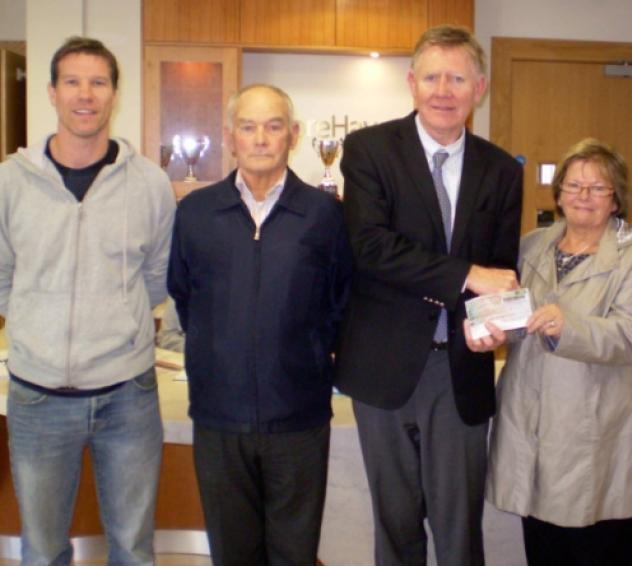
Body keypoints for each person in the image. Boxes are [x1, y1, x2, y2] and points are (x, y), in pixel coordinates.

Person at [334, 25, 523, 565]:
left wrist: (495, 326)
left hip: (460, 369)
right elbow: (371, 247)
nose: (445, 90)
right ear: (412, 83)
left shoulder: (500, 169)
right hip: (383, 366)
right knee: (394, 526)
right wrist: (467, 275)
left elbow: (502, 270)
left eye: (458, 78)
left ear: (478, 87)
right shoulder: (368, 149)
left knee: (460, 527)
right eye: (433, 77)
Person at [0, 36, 174, 564]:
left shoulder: (149, 183)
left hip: (128, 395)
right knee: (44, 549)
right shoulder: (11, 182)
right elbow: (4, 277)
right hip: (37, 397)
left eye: (98, 82)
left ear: (114, 94)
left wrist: (113, 323)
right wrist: (40, 324)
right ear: (52, 92)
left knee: (133, 547)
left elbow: (157, 276)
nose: (86, 94)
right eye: (73, 81)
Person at [168, 83, 352, 565]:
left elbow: (339, 302)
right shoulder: (195, 213)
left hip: (298, 420)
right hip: (219, 418)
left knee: (295, 554)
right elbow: (184, 297)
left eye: (273, 127)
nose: (261, 138)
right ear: (230, 136)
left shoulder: (324, 215)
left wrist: (305, 360)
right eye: (248, 127)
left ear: (292, 135)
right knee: (232, 554)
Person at [468, 138, 632, 565]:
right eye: (573, 186)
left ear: (616, 199)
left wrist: (567, 326)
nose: (583, 197)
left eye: (598, 188)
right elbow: (518, 323)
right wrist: (493, 333)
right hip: (533, 429)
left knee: (600, 550)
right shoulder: (531, 246)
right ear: (558, 194)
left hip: (599, 434)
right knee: (544, 551)